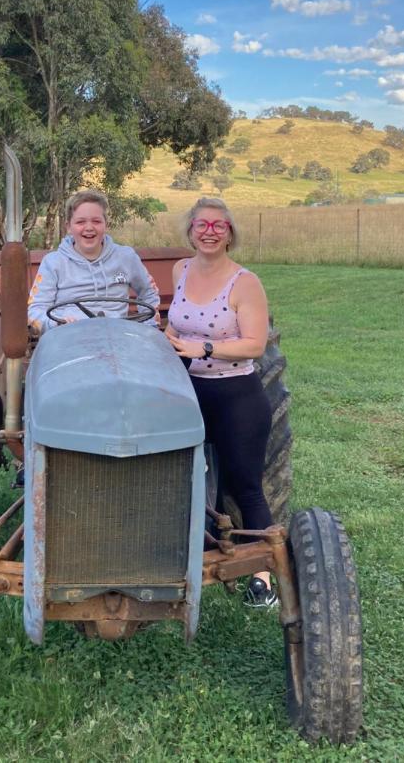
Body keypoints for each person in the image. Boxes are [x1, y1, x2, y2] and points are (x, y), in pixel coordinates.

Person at [165, 197, 277, 609]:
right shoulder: (180, 270)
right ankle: (186, 557)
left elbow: (255, 343)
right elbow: (173, 322)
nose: (209, 232)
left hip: (235, 395)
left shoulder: (245, 282)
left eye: (219, 225)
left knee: (243, 485)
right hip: (187, 392)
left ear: (230, 233)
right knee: (181, 476)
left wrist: (203, 347)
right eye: (202, 225)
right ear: (190, 230)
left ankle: (263, 576)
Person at [28, 189, 160, 333]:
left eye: (96, 221)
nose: (89, 228)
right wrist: (55, 324)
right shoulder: (53, 263)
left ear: (106, 225)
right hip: (69, 338)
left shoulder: (126, 257)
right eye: (80, 222)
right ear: (68, 227)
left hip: (117, 337)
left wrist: (149, 327)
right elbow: (35, 310)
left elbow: (148, 293)